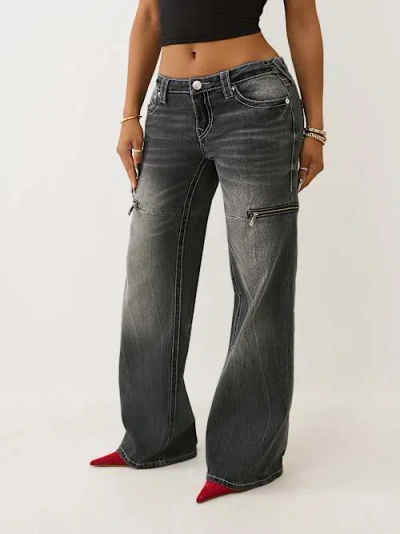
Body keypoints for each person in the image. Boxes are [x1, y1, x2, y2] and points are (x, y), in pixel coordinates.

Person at [90, 0, 325, 504]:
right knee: (149, 275)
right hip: (169, 104)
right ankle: (155, 437)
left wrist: (315, 127)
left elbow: (302, 17)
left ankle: (245, 458)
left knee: (260, 281)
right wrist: (130, 113)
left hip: (255, 101)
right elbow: (150, 15)